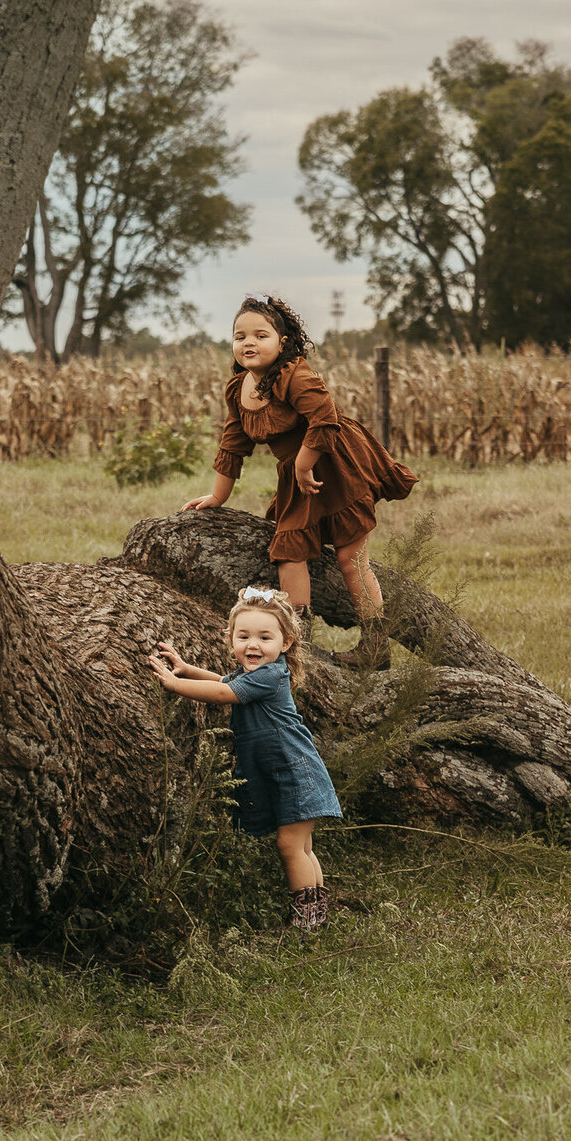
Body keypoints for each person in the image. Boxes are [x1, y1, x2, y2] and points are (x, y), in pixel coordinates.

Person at [180, 293, 417, 663]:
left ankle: (376, 646)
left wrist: (305, 466)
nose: (249, 343)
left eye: (261, 335)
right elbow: (233, 443)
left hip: (336, 462)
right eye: (240, 336)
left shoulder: (295, 376)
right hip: (297, 472)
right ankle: (297, 641)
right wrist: (217, 497)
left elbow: (326, 420)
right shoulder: (238, 387)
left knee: (351, 558)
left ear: (282, 342)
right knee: (288, 552)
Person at [147, 587, 341, 930]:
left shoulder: (270, 674)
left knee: (290, 845)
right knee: (302, 847)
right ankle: (316, 911)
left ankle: (308, 918)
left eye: (265, 637)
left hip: (296, 771)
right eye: (244, 636)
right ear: (231, 638)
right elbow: (224, 680)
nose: (253, 644)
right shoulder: (253, 675)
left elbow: (224, 693)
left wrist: (174, 686)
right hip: (284, 770)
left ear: (286, 643)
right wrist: (187, 669)